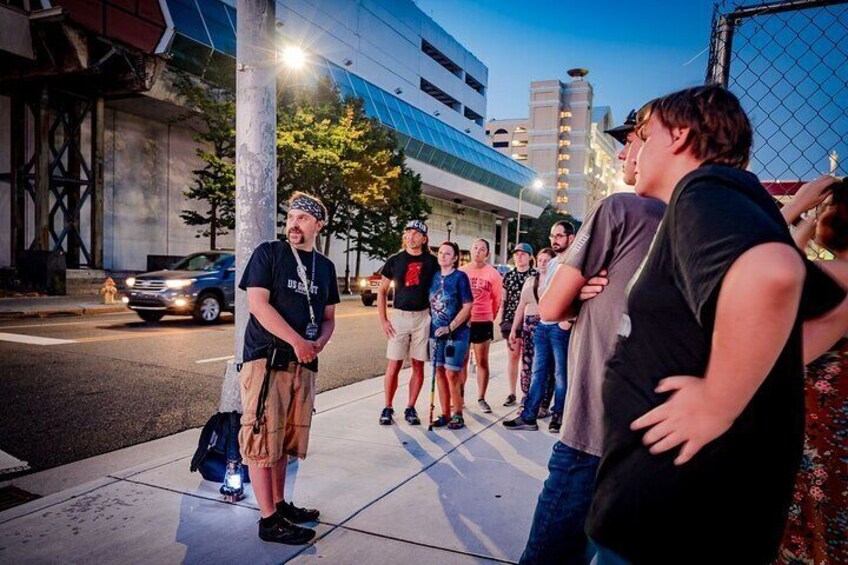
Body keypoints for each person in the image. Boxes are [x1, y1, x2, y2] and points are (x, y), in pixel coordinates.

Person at [584, 86, 846, 564]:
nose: (628, 150)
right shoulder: (735, 202)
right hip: (696, 511)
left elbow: (773, 273)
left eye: (641, 135)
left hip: (672, 522)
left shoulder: (702, 192)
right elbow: (825, 305)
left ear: (680, 135)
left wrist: (718, 401)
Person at [518, 107, 666, 564]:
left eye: (633, 139)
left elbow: (550, 307)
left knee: (550, 553)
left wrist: (576, 291)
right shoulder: (692, 223)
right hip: (649, 436)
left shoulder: (620, 208)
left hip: (591, 430)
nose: (624, 152)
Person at [238, 191, 340, 545]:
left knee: (284, 439)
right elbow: (258, 305)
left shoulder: (325, 267)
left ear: (318, 225)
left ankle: (280, 504)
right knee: (263, 437)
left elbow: (328, 318)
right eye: (291, 216)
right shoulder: (269, 253)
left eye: (302, 218)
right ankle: (268, 520)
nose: (294, 223)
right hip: (268, 360)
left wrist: (318, 344)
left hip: (304, 365)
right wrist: (297, 341)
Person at [776, 174, 848, 565]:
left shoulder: (836, 278)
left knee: (810, 530)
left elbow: (777, 275)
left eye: (825, 208)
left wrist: (796, 209)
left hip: (819, 431)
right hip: (834, 428)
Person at [503, 220, 574, 433]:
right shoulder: (553, 264)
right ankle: (529, 416)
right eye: (552, 236)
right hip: (543, 326)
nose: (555, 240)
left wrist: (569, 320)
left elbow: (580, 293)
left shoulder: (575, 261)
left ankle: (558, 416)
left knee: (561, 374)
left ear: (571, 238)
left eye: (559, 236)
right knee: (538, 372)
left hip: (560, 328)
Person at [377, 219, 440, 426]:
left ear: (424, 238)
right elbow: (382, 291)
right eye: (408, 233)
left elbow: (440, 289)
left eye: (415, 233)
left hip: (422, 317)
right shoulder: (395, 260)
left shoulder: (432, 262)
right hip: (400, 317)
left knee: (418, 365)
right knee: (394, 364)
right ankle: (387, 406)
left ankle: (411, 407)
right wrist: (384, 319)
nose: (411, 237)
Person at [428, 241, 474, 430]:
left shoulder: (460, 277)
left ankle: (457, 413)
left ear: (455, 258)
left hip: (457, 334)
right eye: (440, 253)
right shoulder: (433, 276)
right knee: (438, 372)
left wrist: (451, 326)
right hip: (435, 333)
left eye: (448, 254)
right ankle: (445, 413)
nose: (443, 256)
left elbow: (468, 306)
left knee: (452, 373)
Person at [508, 248, 556, 412]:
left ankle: (543, 404)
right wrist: (514, 329)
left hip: (545, 327)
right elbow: (521, 305)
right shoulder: (530, 280)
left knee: (545, 367)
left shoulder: (555, 281)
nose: (542, 263)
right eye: (540, 259)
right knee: (527, 365)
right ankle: (526, 400)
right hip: (528, 328)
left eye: (547, 260)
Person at [460, 238, 503, 413]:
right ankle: (459, 398)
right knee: (461, 362)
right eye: (475, 247)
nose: (478, 251)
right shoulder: (462, 272)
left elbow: (497, 299)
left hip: (483, 320)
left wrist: (489, 316)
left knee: (482, 361)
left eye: (482, 249)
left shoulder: (493, 274)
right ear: (470, 250)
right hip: (463, 322)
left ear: (487, 254)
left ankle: (481, 397)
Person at [500, 243, 538, 407]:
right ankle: (512, 392)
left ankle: (528, 392)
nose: (519, 256)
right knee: (513, 357)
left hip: (531, 320)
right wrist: (502, 321)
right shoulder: (508, 276)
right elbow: (504, 300)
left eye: (523, 254)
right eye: (516, 254)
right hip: (511, 321)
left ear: (530, 257)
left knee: (529, 358)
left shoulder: (536, 276)